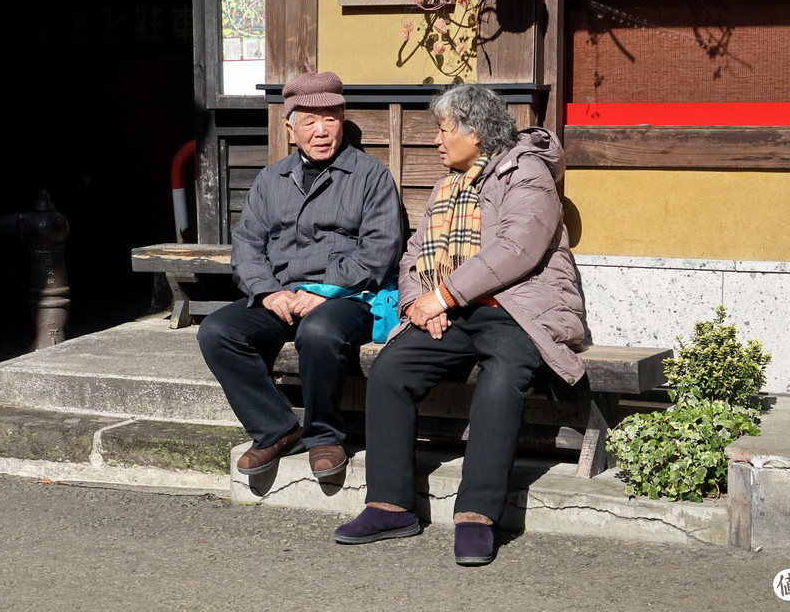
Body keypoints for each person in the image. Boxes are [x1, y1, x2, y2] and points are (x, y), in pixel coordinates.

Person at [332, 84, 586, 565]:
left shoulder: (526, 173)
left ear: (475, 132)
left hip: (517, 310)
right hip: (454, 308)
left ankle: (476, 516)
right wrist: (415, 304)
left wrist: (444, 295)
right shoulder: (448, 183)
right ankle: (389, 506)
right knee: (390, 371)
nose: (437, 140)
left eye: (444, 130)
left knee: (501, 381)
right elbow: (413, 254)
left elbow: (517, 249)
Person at [197, 71, 403, 480]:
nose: (321, 131)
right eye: (309, 120)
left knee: (319, 332)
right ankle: (275, 428)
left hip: (348, 298)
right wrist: (267, 292)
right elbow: (247, 245)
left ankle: (324, 435)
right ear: (290, 127)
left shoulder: (371, 176)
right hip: (283, 295)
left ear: (342, 121)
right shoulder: (271, 179)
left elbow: (380, 250)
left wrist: (326, 291)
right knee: (218, 331)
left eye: (330, 119)